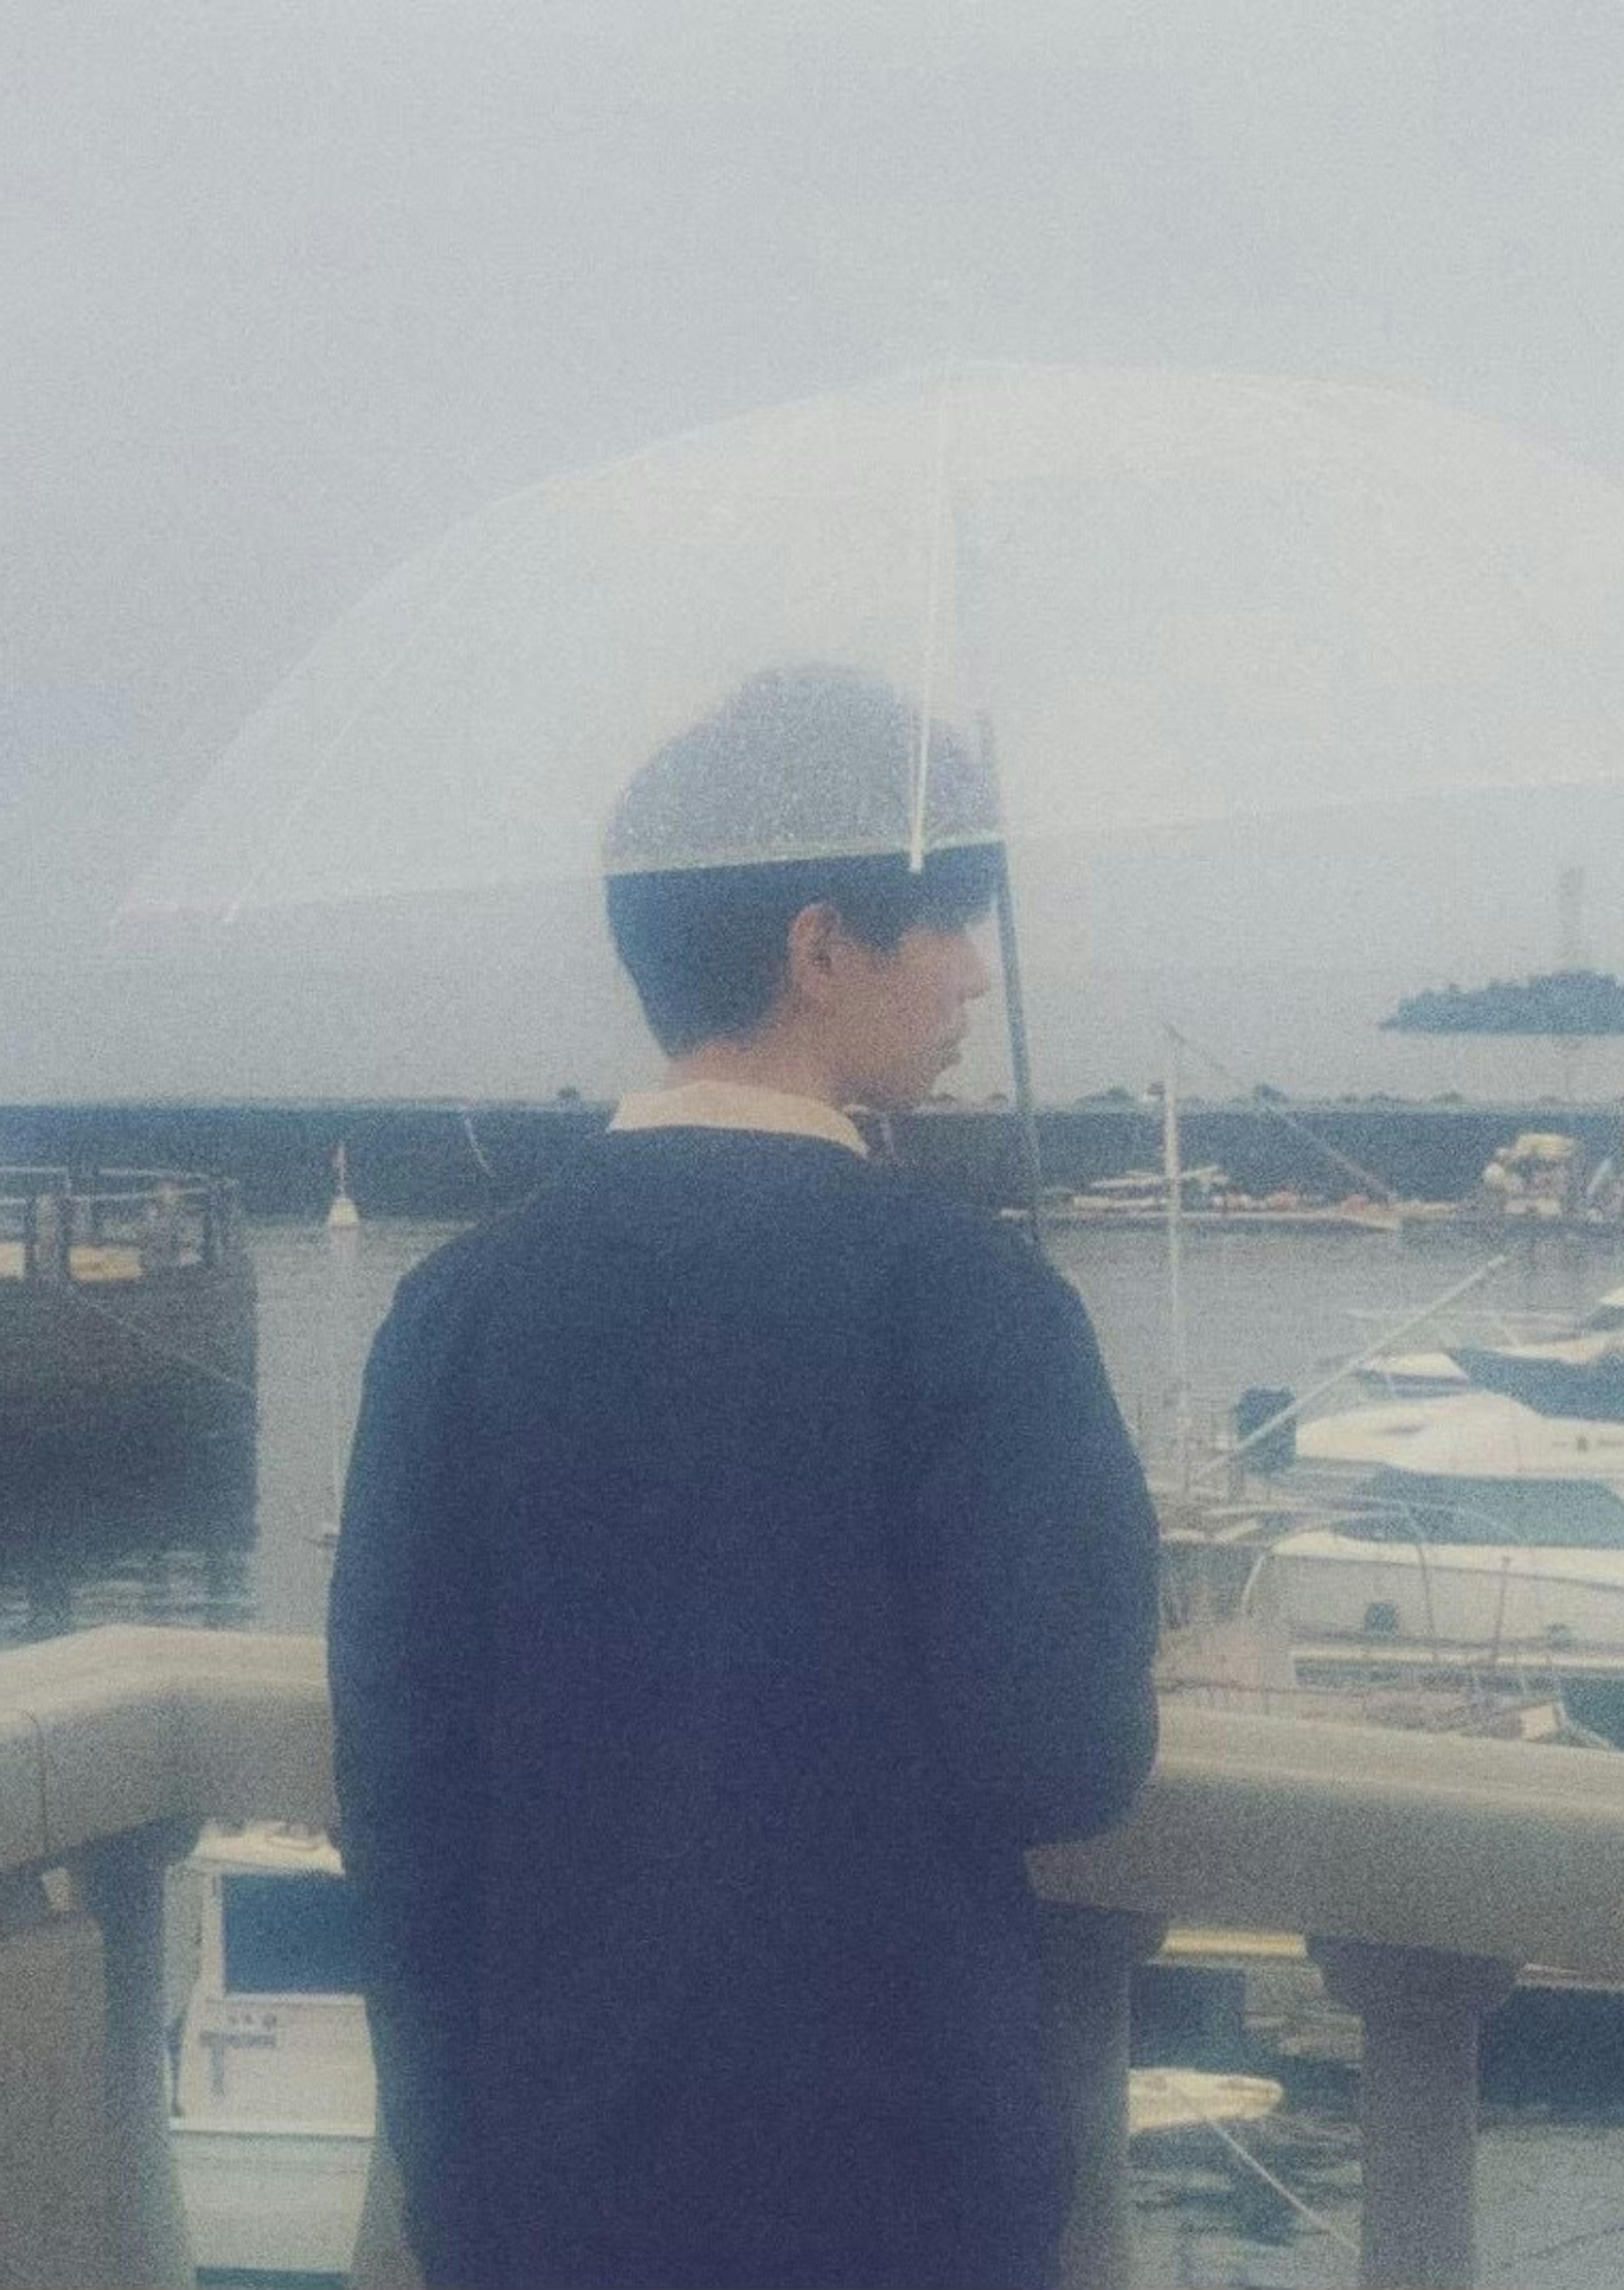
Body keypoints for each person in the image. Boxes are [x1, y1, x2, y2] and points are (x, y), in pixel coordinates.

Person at [328, 663, 1163, 2290]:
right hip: (895, 2197)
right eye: (947, 923)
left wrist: (465, 2181)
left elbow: (404, 1798)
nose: (978, 975)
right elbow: (1066, 1759)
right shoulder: (969, 1300)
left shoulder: (456, 1311)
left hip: (543, 2199)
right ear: (819, 945)